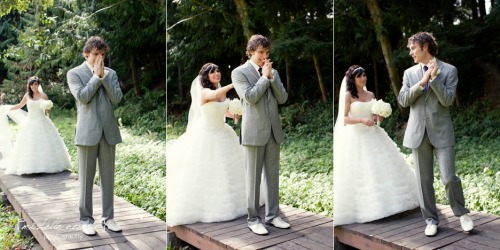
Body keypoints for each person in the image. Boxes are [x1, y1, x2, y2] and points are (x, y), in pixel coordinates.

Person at [398, 31, 473, 237]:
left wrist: (435, 78)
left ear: (425, 47)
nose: (411, 52)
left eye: (413, 48)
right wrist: (422, 82)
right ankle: (431, 220)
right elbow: (403, 101)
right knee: (423, 181)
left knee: (449, 177)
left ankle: (462, 213)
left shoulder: (449, 70)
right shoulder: (409, 73)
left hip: (442, 131)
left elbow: (448, 100)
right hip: (417, 133)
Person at [333, 65, 419, 226]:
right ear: (353, 79)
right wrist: (360, 120)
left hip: (374, 134)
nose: (363, 78)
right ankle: (373, 209)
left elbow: (375, 118)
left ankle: (394, 205)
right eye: (359, 76)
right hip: (357, 136)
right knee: (365, 171)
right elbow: (344, 118)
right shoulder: (348, 96)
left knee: (385, 167)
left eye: (364, 75)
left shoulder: (371, 94)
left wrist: (380, 116)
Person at [166, 63, 246, 226]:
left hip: (223, 132)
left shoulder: (220, 91)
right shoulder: (204, 92)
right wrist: (233, 84)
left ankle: (236, 204)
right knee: (209, 169)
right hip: (207, 134)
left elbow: (222, 110)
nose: (216, 74)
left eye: (218, 71)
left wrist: (235, 114)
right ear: (206, 76)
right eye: (212, 72)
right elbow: (214, 95)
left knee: (229, 169)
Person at [232, 34, 290, 236]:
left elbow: (282, 98)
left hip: (273, 131)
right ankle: (253, 219)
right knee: (253, 178)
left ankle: (273, 216)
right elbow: (249, 97)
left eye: (267, 52)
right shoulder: (239, 73)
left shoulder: (273, 71)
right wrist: (265, 78)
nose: (265, 57)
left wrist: (271, 77)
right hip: (254, 132)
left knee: (273, 177)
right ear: (250, 52)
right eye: (260, 53)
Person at [67, 36, 123, 236]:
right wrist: (96, 77)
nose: (100, 58)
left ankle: (108, 218)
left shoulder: (112, 74)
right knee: (86, 180)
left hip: (108, 132)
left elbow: (117, 98)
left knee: (108, 179)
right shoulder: (74, 73)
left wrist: (104, 76)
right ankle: (86, 219)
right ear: (86, 54)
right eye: (96, 54)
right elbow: (82, 96)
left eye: (102, 54)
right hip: (86, 133)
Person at [0, 76, 71, 175]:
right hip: (30, 122)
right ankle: (30, 167)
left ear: (38, 85)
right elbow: (20, 105)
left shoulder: (43, 96)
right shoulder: (27, 96)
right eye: (32, 84)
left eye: (36, 84)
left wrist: (47, 107)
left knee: (45, 143)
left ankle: (46, 166)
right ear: (29, 85)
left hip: (42, 121)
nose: (34, 86)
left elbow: (48, 111)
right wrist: (7, 108)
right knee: (29, 144)